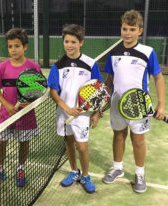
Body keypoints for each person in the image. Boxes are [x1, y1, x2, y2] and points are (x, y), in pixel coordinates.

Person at [102, 10, 166, 193]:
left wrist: (161, 104)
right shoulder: (113, 52)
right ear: (120, 29)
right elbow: (110, 79)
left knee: (137, 139)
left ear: (140, 30)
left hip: (139, 104)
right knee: (118, 135)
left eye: (132, 29)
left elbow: (158, 78)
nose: (127, 33)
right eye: (124, 29)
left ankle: (139, 173)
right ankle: (117, 168)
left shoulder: (147, 52)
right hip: (116, 103)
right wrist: (103, 100)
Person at [48, 24, 102, 193]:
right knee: (69, 143)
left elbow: (98, 90)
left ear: (81, 43)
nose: (69, 45)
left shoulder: (91, 64)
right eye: (66, 41)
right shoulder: (57, 66)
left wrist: (96, 113)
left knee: (82, 147)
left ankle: (85, 175)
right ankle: (73, 171)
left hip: (82, 115)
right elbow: (54, 93)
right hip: (64, 113)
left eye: (73, 41)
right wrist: (67, 109)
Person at [0, 28, 41, 187]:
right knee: (0, 141)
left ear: (25, 47)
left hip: (26, 115)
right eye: (10, 46)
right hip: (6, 114)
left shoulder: (33, 67)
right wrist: (7, 105)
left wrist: (30, 103)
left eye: (17, 46)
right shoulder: (2, 68)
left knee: (24, 142)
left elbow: (39, 91)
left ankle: (21, 168)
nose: (13, 50)